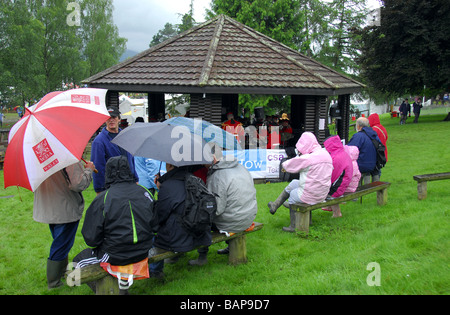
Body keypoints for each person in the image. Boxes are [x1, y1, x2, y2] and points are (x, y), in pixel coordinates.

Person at [74, 156, 156, 272]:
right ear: (129, 170)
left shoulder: (103, 198)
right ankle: (121, 284)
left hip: (117, 255)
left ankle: (110, 290)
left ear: (108, 173)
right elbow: (156, 224)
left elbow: (91, 238)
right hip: (145, 249)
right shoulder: (144, 192)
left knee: (75, 263)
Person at [33, 160, 95, 289]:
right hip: (64, 208)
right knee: (61, 244)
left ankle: (61, 273)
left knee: (61, 243)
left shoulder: (38, 156)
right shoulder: (68, 158)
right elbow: (78, 184)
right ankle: (54, 283)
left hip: (50, 206)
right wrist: (89, 170)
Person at [190, 148, 258, 264]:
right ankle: (230, 246)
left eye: (203, 161)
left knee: (201, 219)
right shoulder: (240, 166)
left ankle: (202, 257)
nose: (202, 164)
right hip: (249, 216)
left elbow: (216, 210)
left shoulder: (216, 176)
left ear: (212, 159)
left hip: (234, 221)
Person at [149, 163, 212, 277]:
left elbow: (160, 215)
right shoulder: (196, 180)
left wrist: (160, 189)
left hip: (179, 239)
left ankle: (156, 271)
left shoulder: (168, 186)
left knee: (152, 234)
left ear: (170, 166)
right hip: (201, 233)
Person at [268, 132, 333, 232]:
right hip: (322, 192)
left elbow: (287, 165)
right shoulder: (325, 154)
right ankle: (275, 205)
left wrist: (298, 157)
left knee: (293, 195)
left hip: (311, 194)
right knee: (294, 182)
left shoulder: (308, 158)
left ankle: (294, 226)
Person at [90, 107, 138, 194]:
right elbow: (98, 167)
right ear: (105, 120)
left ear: (119, 119)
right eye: (108, 118)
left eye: (114, 117)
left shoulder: (125, 137)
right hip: (112, 187)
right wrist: (99, 190)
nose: (111, 120)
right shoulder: (99, 141)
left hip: (129, 184)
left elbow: (131, 159)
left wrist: (136, 179)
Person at [322, 135, 353, 218]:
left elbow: (332, 176)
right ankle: (329, 206)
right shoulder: (342, 152)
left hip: (341, 184)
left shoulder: (335, 157)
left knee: (329, 192)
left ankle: (337, 213)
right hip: (346, 181)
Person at [347, 117, 382, 185]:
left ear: (358, 126)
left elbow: (350, 151)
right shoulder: (374, 135)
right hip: (373, 165)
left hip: (361, 166)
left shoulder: (358, 136)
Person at [368, 113, 388, 181]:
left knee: (376, 169)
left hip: (376, 151)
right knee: (379, 167)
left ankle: (375, 183)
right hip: (383, 150)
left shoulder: (374, 129)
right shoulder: (382, 127)